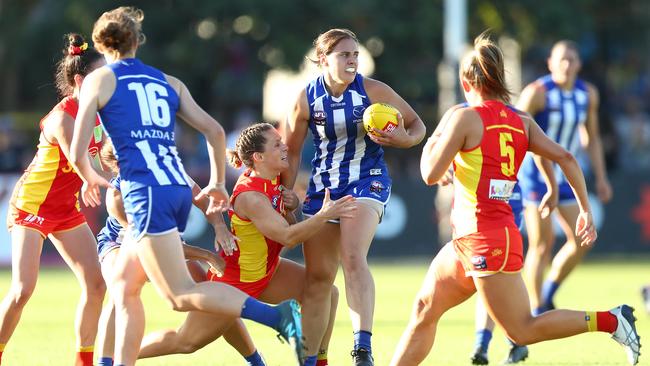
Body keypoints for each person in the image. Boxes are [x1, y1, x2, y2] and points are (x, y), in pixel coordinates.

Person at [69, 7, 303, 366]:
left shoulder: (100, 81)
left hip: (145, 192)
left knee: (180, 294)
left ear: (101, 44)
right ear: (137, 40)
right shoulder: (169, 81)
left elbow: (77, 150)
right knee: (125, 287)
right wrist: (215, 183)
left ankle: (278, 317)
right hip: (179, 186)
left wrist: (90, 178)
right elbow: (214, 131)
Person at [389, 33, 640, 366]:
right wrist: (584, 209)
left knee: (523, 330)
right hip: (476, 237)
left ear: (467, 81)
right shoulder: (521, 121)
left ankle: (612, 320)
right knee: (424, 309)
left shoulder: (464, 117)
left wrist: (434, 138)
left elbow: (430, 174)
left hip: (486, 240)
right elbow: (566, 156)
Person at [141, 123, 353, 366]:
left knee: (326, 292)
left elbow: (289, 227)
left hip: (266, 272)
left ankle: (315, 362)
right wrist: (323, 216)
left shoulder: (273, 177)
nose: (285, 147)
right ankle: (120, 357)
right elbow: (288, 238)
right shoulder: (251, 196)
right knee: (186, 341)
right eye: (277, 144)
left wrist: (294, 208)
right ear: (258, 157)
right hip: (234, 282)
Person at [283, 28, 426, 366]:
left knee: (352, 255)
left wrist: (404, 140)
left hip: (367, 181)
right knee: (317, 279)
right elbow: (289, 153)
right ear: (323, 60)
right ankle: (313, 359)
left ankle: (362, 348)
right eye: (344, 55)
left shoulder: (372, 90)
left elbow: (417, 125)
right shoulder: (304, 99)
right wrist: (284, 193)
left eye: (355, 55)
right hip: (323, 190)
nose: (352, 60)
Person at [94, 140, 265, 366]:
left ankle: (255, 360)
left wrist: (220, 227)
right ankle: (105, 362)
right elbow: (149, 245)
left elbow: (203, 201)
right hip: (121, 243)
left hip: (162, 238)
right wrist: (208, 255)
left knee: (212, 296)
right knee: (121, 290)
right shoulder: (117, 196)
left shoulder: (170, 171)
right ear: (120, 163)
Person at [0, 33, 106, 366]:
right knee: (22, 290)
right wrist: (91, 178)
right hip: (31, 205)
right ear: (79, 80)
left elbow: (104, 158)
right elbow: (78, 156)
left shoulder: (101, 115)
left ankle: (83, 362)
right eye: (100, 76)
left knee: (97, 284)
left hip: (64, 210)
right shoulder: (63, 115)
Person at [517, 40, 613, 316]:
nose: (567, 65)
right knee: (542, 244)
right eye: (561, 59)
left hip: (567, 177)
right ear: (550, 63)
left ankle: (547, 293)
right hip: (536, 176)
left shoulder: (587, 95)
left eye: (572, 60)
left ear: (579, 65)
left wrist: (602, 177)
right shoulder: (537, 93)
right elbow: (514, 129)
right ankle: (535, 309)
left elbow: (591, 138)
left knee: (584, 239)